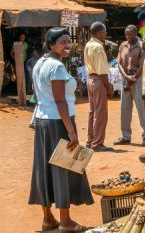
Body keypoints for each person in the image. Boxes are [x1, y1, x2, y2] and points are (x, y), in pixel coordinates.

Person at [29, 27, 93, 233]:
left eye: (68, 41)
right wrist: (72, 132)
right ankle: (65, 222)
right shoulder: (56, 67)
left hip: (43, 121)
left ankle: (48, 219)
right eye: (63, 42)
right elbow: (60, 100)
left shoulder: (39, 63)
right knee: (63, 167)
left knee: (44, 168)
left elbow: (36, 93)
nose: (68, 45)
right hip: (59, 122)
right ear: (50, 45)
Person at [114, 25, 145, 147]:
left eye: (130, 34)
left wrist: (133, 78)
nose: (127, 36)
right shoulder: (123, 45)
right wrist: (125, 77)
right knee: (124, 108)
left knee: (141, 107)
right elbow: (119, 63)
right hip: (125, 77)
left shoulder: (142, 46)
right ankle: (125, 136)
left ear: (136, 34)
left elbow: (142, 65)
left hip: (138, 78)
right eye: (126, 34)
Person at [84, 22, 113, 152]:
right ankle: (97, 143)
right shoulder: (98, 47)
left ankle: (90, 141)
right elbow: (102, 72)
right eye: (104, 31)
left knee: (92, 112)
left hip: (90, 79)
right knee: (100, 113)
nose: (106, 34)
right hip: (99, 80)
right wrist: (109, 86)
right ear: (100, 32)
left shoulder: (88, 45)